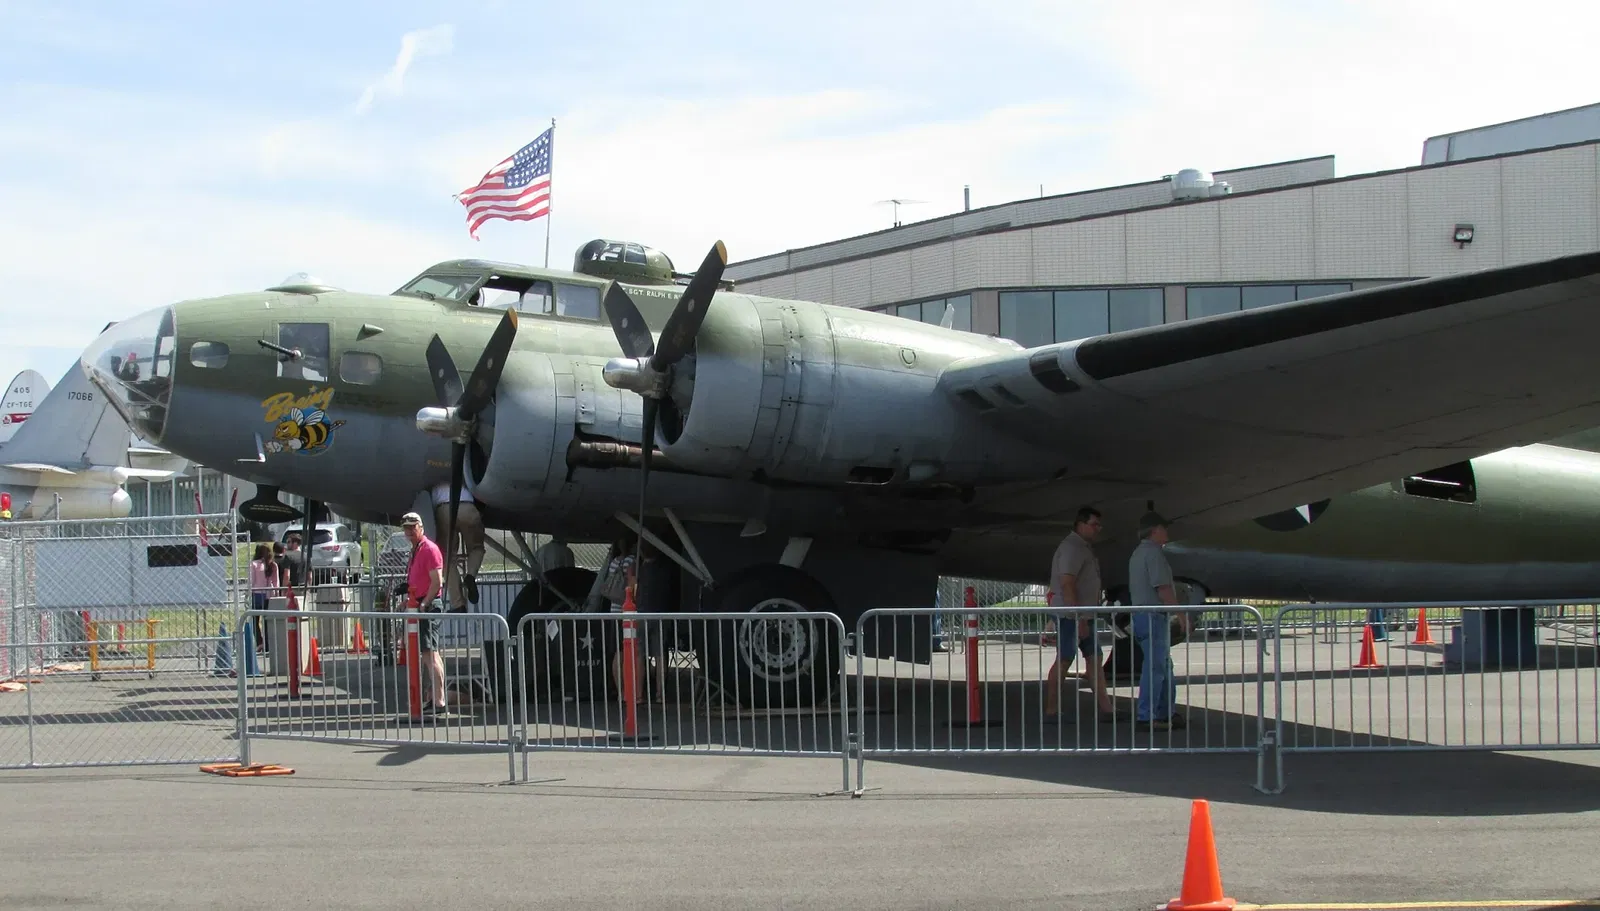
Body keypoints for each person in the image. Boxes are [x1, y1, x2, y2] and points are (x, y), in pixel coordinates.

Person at [1043, 506, 1120, 722]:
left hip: (1082, 614)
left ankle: (1107, 710)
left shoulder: (1082, 547)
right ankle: (1051, 710)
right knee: (1065, 658)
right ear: (1081, 524)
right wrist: (1079, 618)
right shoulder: (1072, 548)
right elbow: (1067, 585)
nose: (1098, 529)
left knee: (1094, 657)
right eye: (1094, 524)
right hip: (1071, 615)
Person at [1128, 511, 1185, 730]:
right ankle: (1147, 716)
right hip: (1153, 617)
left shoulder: (1139, 554)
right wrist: (1181, 614)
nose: (1167, 531)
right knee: (1156, 668)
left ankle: (1165, 712)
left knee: (1162, 666)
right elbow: (1163, 589)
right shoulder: (1153, 554)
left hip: (1145, 617)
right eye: (1164, 527)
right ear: (1155, 530)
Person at [401, 511, 448, 712]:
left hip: (428, 605)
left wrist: (424, 603)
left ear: (421, 528)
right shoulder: (416, 549)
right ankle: (435, 698)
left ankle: (439, 701)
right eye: (406, 528)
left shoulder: (428, 549)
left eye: (413, 527)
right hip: (419, 603)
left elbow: (437, 580)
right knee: (428, 654)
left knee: (430, 654)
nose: (410, 531)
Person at [430, 482, 486, 611]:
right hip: (468, 506)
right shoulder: (464, 476)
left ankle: (458, 604)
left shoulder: (434, 481)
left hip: (444, 509)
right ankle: (470, 576)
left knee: (447, 558)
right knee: (476, 548)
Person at [248, 543, 279, 654]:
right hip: (269, 595)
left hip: (256, 594)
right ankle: (267, 644)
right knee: (267, 621)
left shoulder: (254, 564)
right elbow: (276, 582)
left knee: (254, 620)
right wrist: (276, 593)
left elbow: (252, 581)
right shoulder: (273, 565)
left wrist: (248, 592)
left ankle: (259, 641)